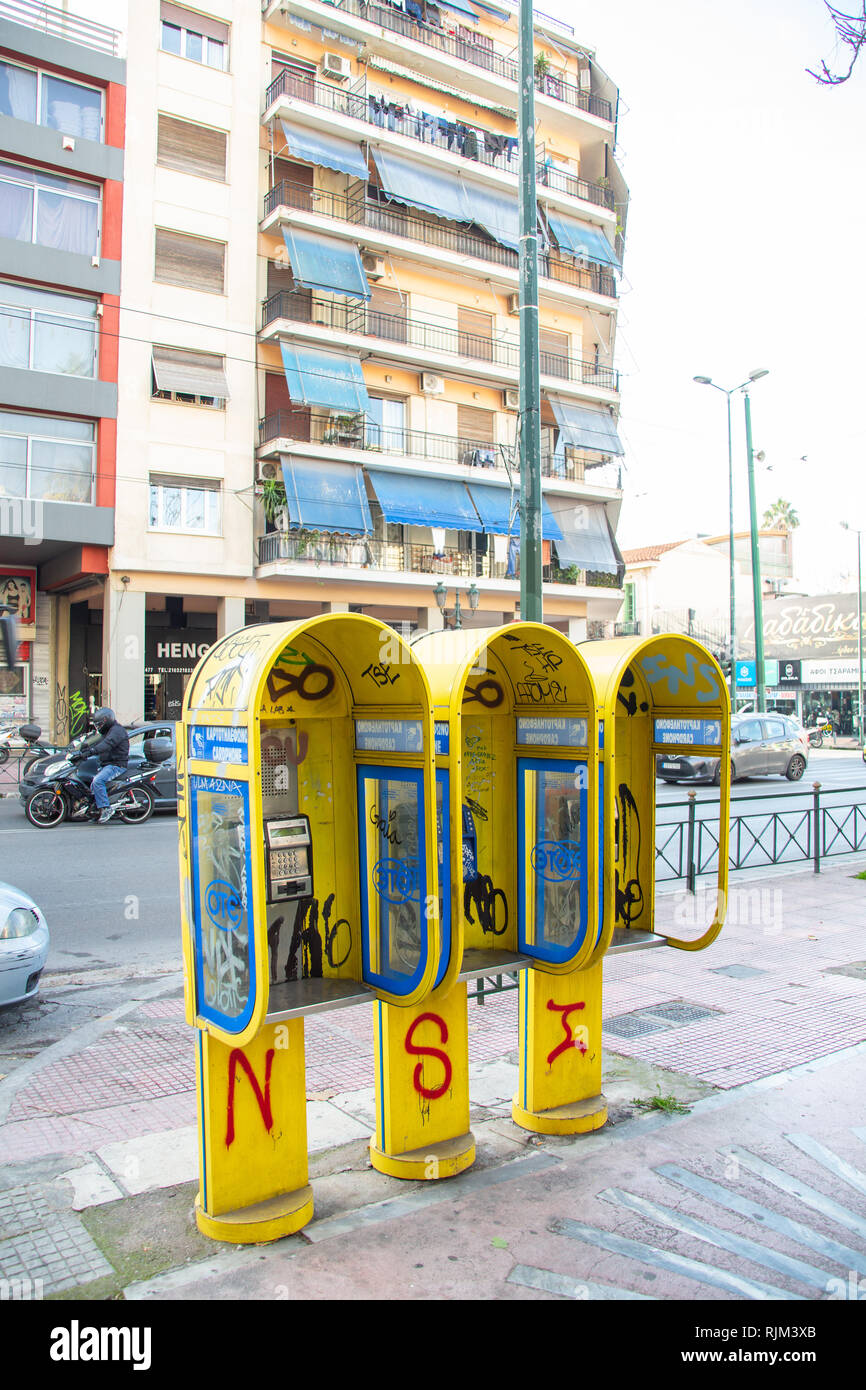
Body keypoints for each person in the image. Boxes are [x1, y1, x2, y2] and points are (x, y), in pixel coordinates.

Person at [86, 708, 129, 824]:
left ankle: (106, 808)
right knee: (91, 785)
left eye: (99, 724)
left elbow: (106, 744)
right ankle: (95, 811)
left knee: (97, 781)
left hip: (116, 765)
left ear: (106, 720)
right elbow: (95, 741)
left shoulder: (117, 731)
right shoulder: (107, 731)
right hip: (106, 764)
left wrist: (92, 751)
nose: (98, 727)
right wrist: (83, 747)